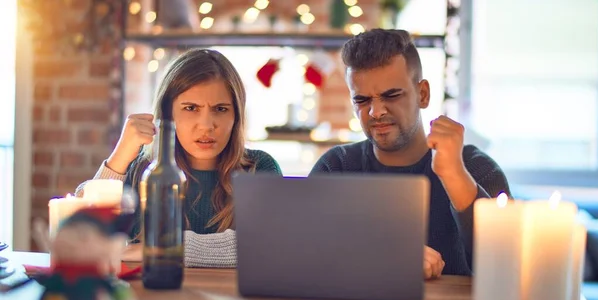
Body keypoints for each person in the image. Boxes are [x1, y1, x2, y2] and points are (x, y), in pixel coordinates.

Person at [310, 29, 510, 278]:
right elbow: (307, 256)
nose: (376, 111)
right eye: (362, 100)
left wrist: (454, 174)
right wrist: (388, 255)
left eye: (391, 95)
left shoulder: (476, 167)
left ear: (423, 94)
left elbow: (506, 265)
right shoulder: (336, 167)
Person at [76, 48, 282, 267]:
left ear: (236, 117)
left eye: (220, 109)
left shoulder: (260, 168)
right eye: (191, 108)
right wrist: (120, 157)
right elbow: (80, 235)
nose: (206, 125)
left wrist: (161, 248)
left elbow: (268, 244)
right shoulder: (142, 170)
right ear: (167, 114)